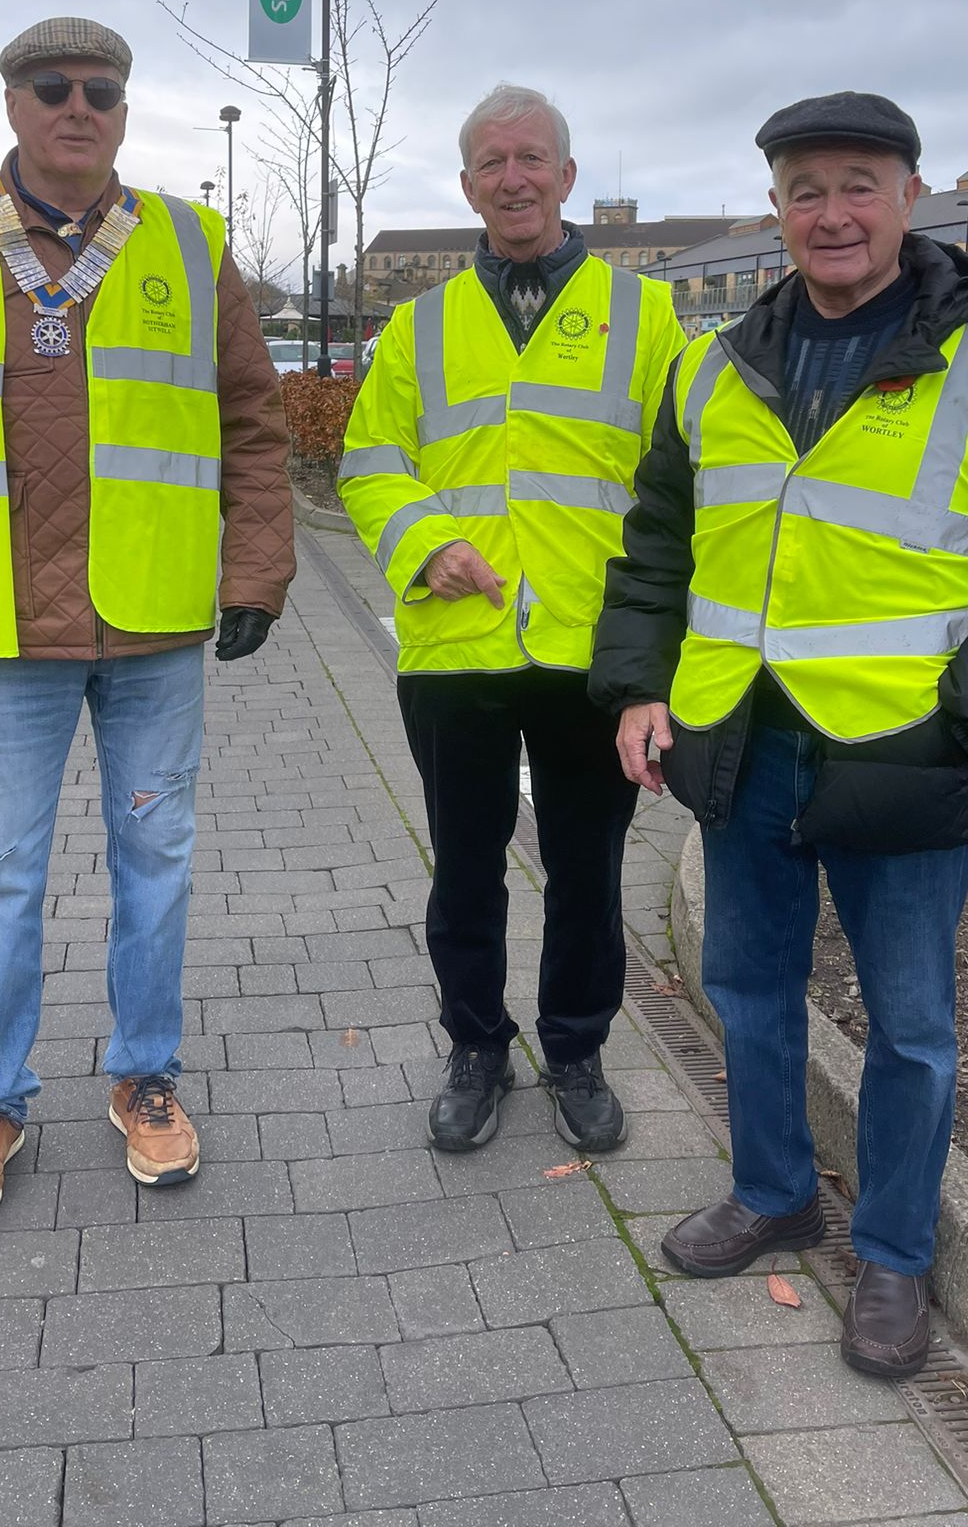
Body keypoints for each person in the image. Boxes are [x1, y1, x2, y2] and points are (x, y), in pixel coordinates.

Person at [591, 90, 968, 1376]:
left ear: (909, 195)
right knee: (751, 992)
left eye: (858, 183)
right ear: (775, 207)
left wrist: (964, 721)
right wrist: (636, 684)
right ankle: (774, 1190)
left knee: (911, 1023)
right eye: (806, 188)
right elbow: (657, 544)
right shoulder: (712, 366)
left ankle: (893, 1253)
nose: (832, 212)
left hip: (908, 754)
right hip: (741, 738)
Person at [0, 16, 294, 1224]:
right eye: (52, 86)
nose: (77, 104)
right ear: (14, 104)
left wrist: (256, 571)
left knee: (157, 865)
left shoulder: (190, 245)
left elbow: (252, 419)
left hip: (150, 624)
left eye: (101, 89)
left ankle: (145, 1077)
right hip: (0, 632)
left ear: (126, 113)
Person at [339, 84, 686, 1153]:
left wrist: (662, 653)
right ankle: (477, 1044)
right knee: (465, 863)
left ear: (568, 176)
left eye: (533, 157)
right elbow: (368, 460)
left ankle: (575, 1046)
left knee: (589, 866)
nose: (514, 177)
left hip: (594, 651)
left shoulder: (647, 314)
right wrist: (420, 542)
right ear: (468, 185)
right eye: (493, 162)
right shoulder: (420, 326)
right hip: (456, 649)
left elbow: (680, 482)